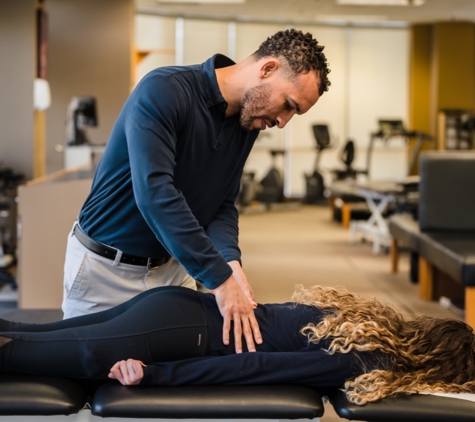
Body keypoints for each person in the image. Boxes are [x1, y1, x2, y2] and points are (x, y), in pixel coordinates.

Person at [62, 29, 331, 355]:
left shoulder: (248, 122)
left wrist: (230, 261)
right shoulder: (164, 90)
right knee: (93, 386)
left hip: (173, 271)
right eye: (288, 105)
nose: (283, 121)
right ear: (267, 69)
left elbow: (222, 203)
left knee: (172, 382)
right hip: (106, 270)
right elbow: (155, 194)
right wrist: (218, 278)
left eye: (294, 113)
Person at [1, 285, 474, 405]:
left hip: (176, 306)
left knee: (25, 332)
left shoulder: (371, 324)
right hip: (176, 335)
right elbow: (256, 369)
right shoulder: (366, 359)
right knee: (17, 351)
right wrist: (158, 375)